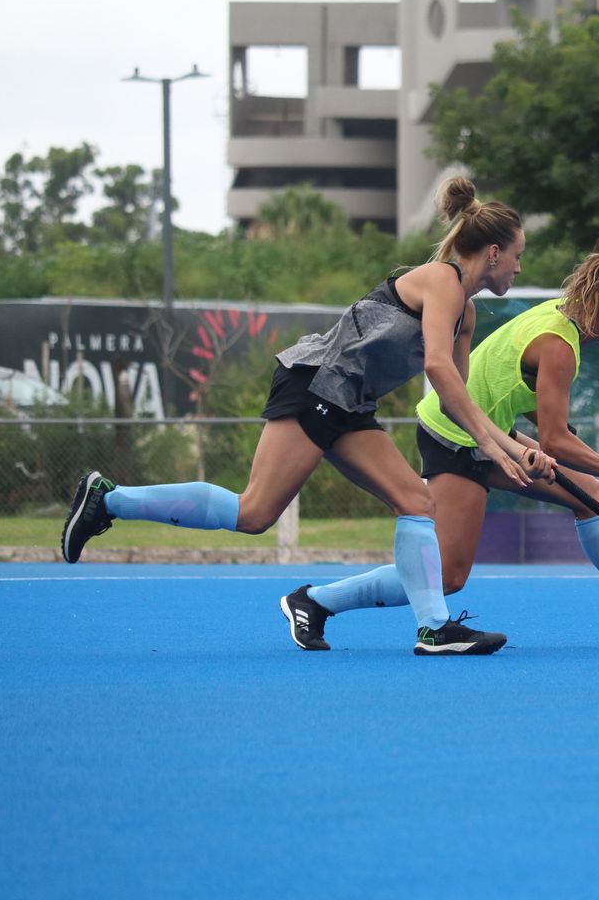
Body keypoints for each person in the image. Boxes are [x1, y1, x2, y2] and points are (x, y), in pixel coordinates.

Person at [59, 176, 555, 657]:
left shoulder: (464, 314)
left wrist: (517, 447)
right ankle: (110, 499)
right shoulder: (443, 281)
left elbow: (456, 401)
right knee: (254, 513)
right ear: (493, 253)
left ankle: (433, 629)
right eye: (518, 255)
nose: (517, 267)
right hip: (315, 385)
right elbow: (436, 367)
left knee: (416, 502)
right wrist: (493, 448)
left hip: (350, 404)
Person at [287, 228, 599, 650]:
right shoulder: (559, 345)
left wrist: (539, 440)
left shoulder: (560, 317)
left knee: (586, 494)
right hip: (454, 433)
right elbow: (556, 442)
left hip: (492, 432)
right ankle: (317, 601)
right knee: (448, 575)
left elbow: (517, 390)